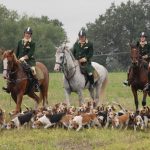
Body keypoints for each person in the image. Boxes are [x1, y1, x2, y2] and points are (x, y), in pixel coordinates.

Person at [3, 27, 40, 93]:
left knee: (33, 70)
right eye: (26, 33)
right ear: (24, 34)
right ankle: (8, 85)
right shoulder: (20, 42)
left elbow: (31, 53)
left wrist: (24, 57)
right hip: (19, 60)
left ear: (30, 35)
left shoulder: (32, 43)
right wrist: (16, 59)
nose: (27, 35)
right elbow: (17, 52)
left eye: (29, 33)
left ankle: (36, 85)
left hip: (29, 61)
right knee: (11, 69)